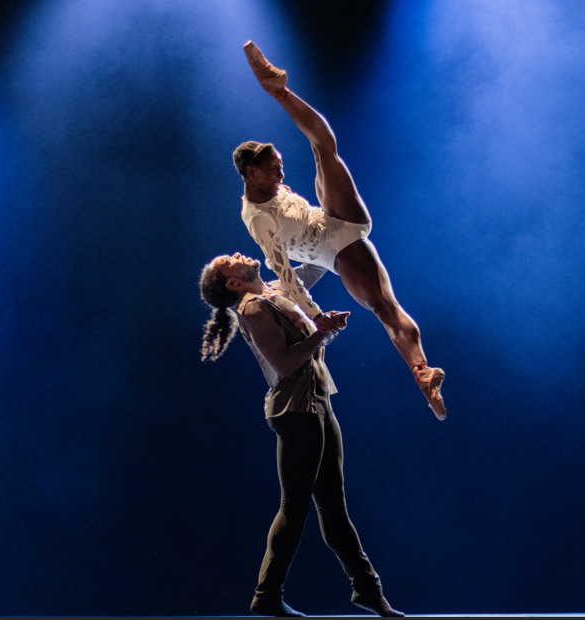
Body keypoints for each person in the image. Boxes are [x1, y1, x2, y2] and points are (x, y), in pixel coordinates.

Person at [233, 40, 447, 420]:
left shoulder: (268, 187)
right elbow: (284, 273)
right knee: (384, 305)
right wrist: (315, 316)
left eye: (281, 165)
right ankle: (422, 372)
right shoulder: (257, 220)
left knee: (324, 149)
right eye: (274, 168)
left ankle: (279, 90)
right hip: (332, 250)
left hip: (331, 216)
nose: (282, 173)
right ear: (251, 173)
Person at [200, 252, 404, 618]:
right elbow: (283, 362)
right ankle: (266, 596)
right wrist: (321, 333)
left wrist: (305, 234)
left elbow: (316, 265)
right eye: (229, 261)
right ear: (233, 283)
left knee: (333, 508)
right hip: (294, 411)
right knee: (294, 508)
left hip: (317, 402)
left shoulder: (277, 287)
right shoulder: (252, 308)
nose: (237, 254)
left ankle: (368, 590)